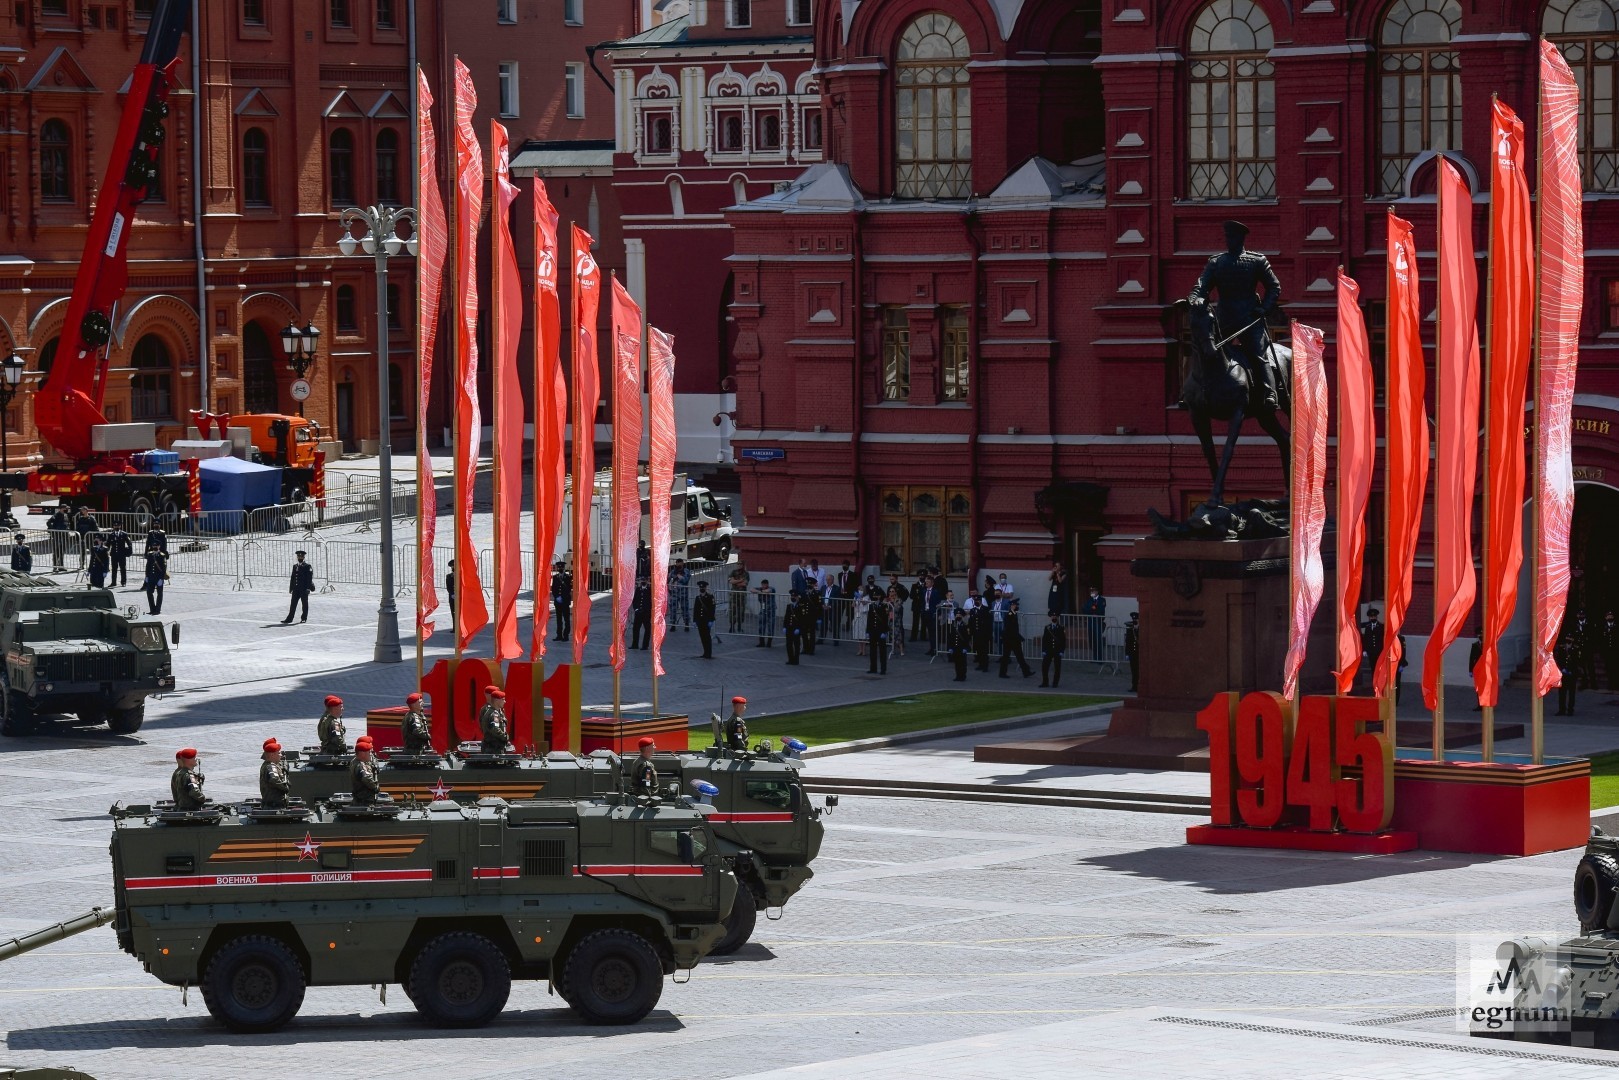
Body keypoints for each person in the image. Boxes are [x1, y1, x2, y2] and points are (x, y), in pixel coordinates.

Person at [1188, 218, 1284, 411]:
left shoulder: (1257, 261)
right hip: (1224, 319)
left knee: (1259, 355)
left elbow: (1274, 287)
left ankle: (1269, 392)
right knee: (1205, 351)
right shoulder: (1216, 262)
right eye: (1227, 236)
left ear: (1241, 239)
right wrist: (1195, 299)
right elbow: (1200, 287)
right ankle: (1194, 391)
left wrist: (1263, 309)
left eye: (1232, 237)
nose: (1229, 240)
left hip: (1249, 319)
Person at [999, 598, 1032, 678]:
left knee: (1019, 656)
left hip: (1013, 639)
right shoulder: (1009, 615)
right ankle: (1002, 673)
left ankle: (1026, 672)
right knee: (1007, 657)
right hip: (1010, 639)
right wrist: (1020, 637)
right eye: (1016, 605)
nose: (1017, 606)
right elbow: (1010, 628)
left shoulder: (1013, 614)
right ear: (1012, 606)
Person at [284, 549, 315, 624]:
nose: (300, 558)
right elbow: (293, 578)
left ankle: (304, 618)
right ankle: (289, 618)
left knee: (304, 604)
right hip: (296, 588)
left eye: (301, 557)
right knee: (293, 604)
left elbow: (309, 578)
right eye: (298, 556)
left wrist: (308, 588)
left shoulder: (307, 566)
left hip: (304, 588)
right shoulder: (295, 566)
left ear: (304, 558)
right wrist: (291, 588)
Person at [259, 738, 290, 809]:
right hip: (274, 806)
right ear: (272, 755)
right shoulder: (271, 766)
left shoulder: (269, 765)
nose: (280, 755)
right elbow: (274, 779)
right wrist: (285, 787)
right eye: (278, 753)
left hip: (273, 805)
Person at [1556, 627, 1580, 716]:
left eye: (1570, 638)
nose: (1569, 640)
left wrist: (1572, 670)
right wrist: (1562, 669)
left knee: (1571, 693)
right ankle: (1561, 709)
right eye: (1567, 638)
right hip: (1563, 673)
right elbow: (1559, 659)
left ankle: (1570, 709)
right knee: (1562, 693)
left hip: (1572, 674)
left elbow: (1577, 661)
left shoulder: (1576, 648)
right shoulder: (1562, 648)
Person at [350, 736, 381, 805]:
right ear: (362, 754)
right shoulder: (360, 765)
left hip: (361, 798)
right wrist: (375, 787)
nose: (370, 754)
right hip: (365, 799)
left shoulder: (355, 761)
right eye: (368, 752)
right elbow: (366, 778)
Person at [479, 686, 510, 753]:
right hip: (493, 747)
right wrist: (504, 737)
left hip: (496, 745)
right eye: (502, 699)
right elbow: (493, 728)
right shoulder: (490, 711)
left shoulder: (497, 710)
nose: (504, 701)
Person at [1358, 608, 1385, 684]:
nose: (1373, 618)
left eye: (1374, 616)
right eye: (1371, 617)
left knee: (1379, 666)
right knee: (1372, 666)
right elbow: (1366, 639)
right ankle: (1374, 680)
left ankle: (1379, 680)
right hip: (1371, 651)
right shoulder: (1367, 626)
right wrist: (1364, 650)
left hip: (1379, 650)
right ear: (1369, 617)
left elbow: (1383, 638)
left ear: (1376, 617)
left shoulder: (1381, 626)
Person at [1040, 613, 1067, 688]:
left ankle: (1055, 683)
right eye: (1053, 616)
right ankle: (1045, 682)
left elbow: (1063, 641)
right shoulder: (1047, 627)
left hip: (1057, 650)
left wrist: (1062, 651)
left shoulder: (1061, 628)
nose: (1054, 617)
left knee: (1057, 667)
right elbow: (1044, 640)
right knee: (1044, 666)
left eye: (1055, 616)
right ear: (1050, 617)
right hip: (1048, 650)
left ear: (1057, 618)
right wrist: (1043, 650)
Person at [868, 590, 891, 675]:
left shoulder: (884, 606)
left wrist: (884, 632)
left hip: (880, 631)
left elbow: (885, 620)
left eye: (877, 596)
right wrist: (868, 631)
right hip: (873, 631)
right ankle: (873, 668)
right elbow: (869, 619)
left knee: (882, 651)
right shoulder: (871, 606)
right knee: (872, 650)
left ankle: (883, 669)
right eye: (874, 596)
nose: (875, 598)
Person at [693, 580, 717, 659]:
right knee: (702, 637)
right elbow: (695, 610)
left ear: (706, 588)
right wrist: (695, 620)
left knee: (707, 637)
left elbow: (712, 609)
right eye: (700, 587)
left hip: (707, 620)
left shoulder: (710, 597)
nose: (702, 589)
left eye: (703, 587)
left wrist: (711, 620)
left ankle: (708, 653)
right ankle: (705, 652)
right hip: (700, 620)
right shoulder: (698, 598)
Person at [141, 545, 167, 615]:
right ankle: (152, 609)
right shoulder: (150, 554)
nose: (155, 547)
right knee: (149, 592)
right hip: (151, 577)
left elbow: (164, 568)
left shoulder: (162, 555)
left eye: (156, 545)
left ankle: (157, 610)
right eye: (154, 545)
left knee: (159, 594)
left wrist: (161, 578)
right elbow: (148, 566)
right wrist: (146, 576)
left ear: (159, 546)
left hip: (158, 577)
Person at [1081, 586, 1106, 660]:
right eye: (1091, 591)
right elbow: (1084, 609)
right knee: (1092, 640)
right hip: (1090, 621)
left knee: (1098, 640)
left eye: (1093, 591)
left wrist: (1092, 610)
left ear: (1097, 592)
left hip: (1098, 621)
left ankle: (1100, 658)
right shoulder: (1089, 600)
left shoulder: (1102, 600)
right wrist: (1092, 610)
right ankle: (1095, 658)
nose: (1092, 593)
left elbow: (1100, 610)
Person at [668, 559, 692, 632]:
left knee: (685, 609)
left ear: (682, 564)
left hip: (683, 594)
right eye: (677, 564)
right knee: (673, 610)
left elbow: (686, 580)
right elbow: (668, 580)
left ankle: (686, 624)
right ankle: (673, 625)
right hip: (674, 594)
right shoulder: (672, 572)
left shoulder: (686, 571)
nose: (678, 566)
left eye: (680, 564)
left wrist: (679, 576)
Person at [970, 598, 992, 673]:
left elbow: (989, 623)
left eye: (978, 601)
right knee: (978, 650)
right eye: (975, 601)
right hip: (976, 633)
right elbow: (971, 622)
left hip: (984, 633)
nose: (976, 602)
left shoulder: (986, 609)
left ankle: (985, 666)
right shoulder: (973, 610)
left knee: (984, 651)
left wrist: (988, 634)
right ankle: (980, 664)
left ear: (980, 601)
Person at [551, 561, 572, 641]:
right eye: (559, 567)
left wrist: (563, 597)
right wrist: (556, 597)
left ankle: (566, 635)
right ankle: (559, 635)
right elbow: (553, 589)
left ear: (564, 568)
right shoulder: (555, 577)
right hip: (558, 601)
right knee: (558, 619)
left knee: (566, 619)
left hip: (565, 601)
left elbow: (568, 589)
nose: (560, 569)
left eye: (562, 567)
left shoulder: (568, 577)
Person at [947, 610, 969, 682]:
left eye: (959, 615)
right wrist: (950, 647)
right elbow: (950, 637)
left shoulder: (965, 625)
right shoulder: (953, 625)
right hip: (955, 647)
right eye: (957, 615)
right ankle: (958, 675)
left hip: (962, 647)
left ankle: (963, 676)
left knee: (963, 663)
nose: (958, 616)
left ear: (961, 616)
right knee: (957, 663)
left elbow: (966, 638)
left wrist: (966, 647)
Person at [727, 563, 750, 634]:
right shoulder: (733, 572)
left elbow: (745, 584)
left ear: (743, 565)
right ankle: (732, 627)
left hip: (742, 595)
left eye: (740, 564)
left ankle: (739, 627)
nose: (739, 566)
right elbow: (730, 581)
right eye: (738, 564)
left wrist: (735, 582)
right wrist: (740, 581)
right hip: (733, 595)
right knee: (732, 611)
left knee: (741, 611)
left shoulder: (746, 573)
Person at [631, 577, 652, 650]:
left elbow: (650, 602)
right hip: (638, 612)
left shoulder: (650, 590)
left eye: (644, 580)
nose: (643, 581)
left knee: (647, 629)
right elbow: (635, 600)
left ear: (647, 581)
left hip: (646, 613)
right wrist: (636, 609)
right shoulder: (638, 589)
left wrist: (647, 610)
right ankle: (635, 644)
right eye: (642, 580)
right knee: (635, 628)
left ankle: (645, 645)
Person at [46, 506, 70, 572]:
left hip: (64, 535)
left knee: (62, 551)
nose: (66, 509)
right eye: (64, 508)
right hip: (57, 535)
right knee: (56, 551)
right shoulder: (56, 515)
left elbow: (67, 524)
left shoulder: (65, 515)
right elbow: (48, 522)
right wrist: (53, 530)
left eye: (66, 508)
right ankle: (55, 566)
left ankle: (61, 566)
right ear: (61, 509)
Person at [887, 585, 907, 658]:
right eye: (890, 591)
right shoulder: (887, 599)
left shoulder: (899, 600)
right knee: (892, 635)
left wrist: (893, 602)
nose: (891, 593)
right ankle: (893, 649)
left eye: (893, 591)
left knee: (898, 635)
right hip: (890, 619)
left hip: (897, 619)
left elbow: (897, 608)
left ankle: (901, 650)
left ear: (895, 592)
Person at [755, 579, 777, 647]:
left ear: (767, 584)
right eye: (762, 585)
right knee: (761, 625)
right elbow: (752, 589)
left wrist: (760, 591)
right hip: (763, 610)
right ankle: (761, 642)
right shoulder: (760, 588)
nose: (763, 586)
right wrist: (760, 591)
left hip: (771, 610)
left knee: (770, 626)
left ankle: (769, 642)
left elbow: (768, 591)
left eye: (764, 585)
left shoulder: (772, 588)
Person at [784, 591, 803, 665]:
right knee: (788, 644)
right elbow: (786, 617)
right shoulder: (789, 606)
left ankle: (796, 660)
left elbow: (802, 619)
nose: (793, 598)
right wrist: (784, 626)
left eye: (794, 597)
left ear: (798, 597)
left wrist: (799, 628)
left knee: (796, 644)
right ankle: (790, 659)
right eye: (791, 597)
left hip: (796, 629)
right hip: (789, 628)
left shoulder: (801, 606)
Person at [910, 572, 929, 642]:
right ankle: (913, 637)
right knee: (915, 622)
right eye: (920, 575)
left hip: (924, 606)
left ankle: (923, 637)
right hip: (916, 606)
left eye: (923, 575)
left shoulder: (927, 586)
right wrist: (918, 596)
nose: (922, 577)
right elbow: (911, 595)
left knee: (924, 622)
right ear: (918, 576)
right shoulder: (914, 585)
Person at [1125, 611, 1141, 692]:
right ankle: (1134, 686)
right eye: (1134, 620)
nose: (1135, 622)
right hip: (1133, 653)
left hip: (1139, 653)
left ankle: (1140, 686)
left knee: (1139, 670)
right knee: (1133, 670)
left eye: (1137, 620)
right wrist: (1127, 653)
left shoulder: (1141, 629)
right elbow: (1128, 642)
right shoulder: (1130, 630)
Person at [1603, 612, 1619, 692]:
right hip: (1607, 652)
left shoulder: (1616, 627)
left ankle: (1616, 684)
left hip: (1615, 651)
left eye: (1611, 616)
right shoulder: (1604, 627)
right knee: (1609, 668)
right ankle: (1611, 684)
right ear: (1606, 618)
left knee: (1616, 668)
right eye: (1608, 616)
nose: (1610, 617)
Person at [854, 588, 871, 657]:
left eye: (861, 589)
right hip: (857, 615)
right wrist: (854, 599)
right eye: (858, 589)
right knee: (859, 633)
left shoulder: (867, 597)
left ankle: (864, 650)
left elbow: (864, 603)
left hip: (864, 615)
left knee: (863, 633)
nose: (859, 590)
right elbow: (853, 605)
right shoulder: (856, 597)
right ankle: (860, 649)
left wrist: (860, 598)